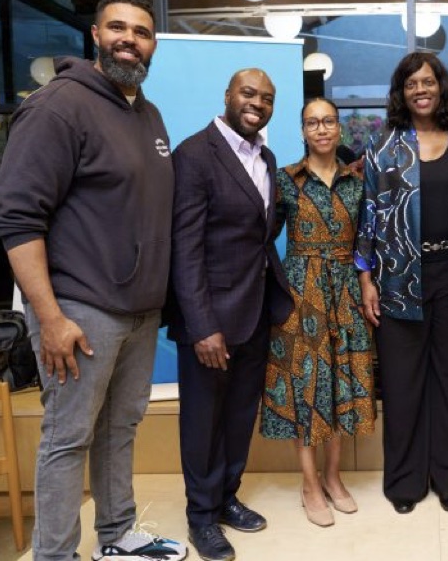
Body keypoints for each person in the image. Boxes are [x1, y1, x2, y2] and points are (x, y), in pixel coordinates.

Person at [0, 0, 186, 561]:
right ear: (96, 35)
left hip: (139, 310)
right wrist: (49, 317)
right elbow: (16, 216)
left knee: (120, 427)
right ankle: (55, 553)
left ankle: (118, 536)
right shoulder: (58, 107)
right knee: (67, 437)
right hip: (79, 309)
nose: (130, 38)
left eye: (142, 32)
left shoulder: (146, 112)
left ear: (153, 45)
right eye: (118, 27)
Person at [167, 68, 293, 561]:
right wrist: (202, 326)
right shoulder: (195, 155)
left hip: (256, 311)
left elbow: (259, 234)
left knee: (240, 415)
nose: (257, 103)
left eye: (266, 97)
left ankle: (224, 498)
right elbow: (186, 247)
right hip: (211, 322)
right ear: (227, 95)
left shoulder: (265, 156)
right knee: (203, 421)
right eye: (248, 93)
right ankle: (201, 516)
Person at [355, 52, 448, 515]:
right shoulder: (383, 147)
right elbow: (367, 216)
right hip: (397, 283)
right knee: (404, 384)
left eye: (428, 81)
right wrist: (366, 279)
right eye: (411, 84)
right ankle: (406, 483)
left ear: (441, 87)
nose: (421, 90)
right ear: (402, 93)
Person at [261, 98, 376, 526]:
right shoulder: (286, 179)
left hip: (345, 289)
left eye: (329, 121)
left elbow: (367, 241)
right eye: (313, 122)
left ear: (339, 129)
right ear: (303, 130)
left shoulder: (356, 181)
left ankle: (333, 476)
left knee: (340, 383)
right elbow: (262, 235)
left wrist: (366, 283)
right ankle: (309, 483)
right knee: (306, 387)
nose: (322, 129)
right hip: (301, 292)